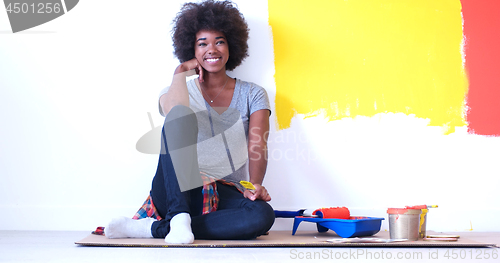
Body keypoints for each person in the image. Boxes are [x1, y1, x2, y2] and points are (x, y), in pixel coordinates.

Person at [104, 0, 275, 244]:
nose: (212, 49)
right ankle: (179, 214)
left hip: (226, 190)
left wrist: (256, 185)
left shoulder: (253, 93)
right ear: (191, 50)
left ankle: (158, 228)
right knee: (180, 116)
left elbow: (257, 144)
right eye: (202, 43)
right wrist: (181, 72)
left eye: (219, 41)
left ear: (231, 46)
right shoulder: (176, 88)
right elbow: (173, 113)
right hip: (177, 188)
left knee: (261, 216)